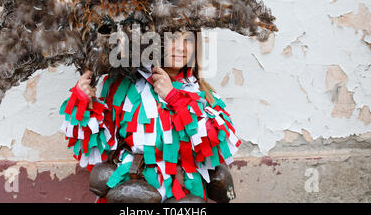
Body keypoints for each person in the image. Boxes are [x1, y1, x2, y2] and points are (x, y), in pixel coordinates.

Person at [59, 28, 242, 202]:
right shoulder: (124, 85)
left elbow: (218, 147)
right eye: (172, 38)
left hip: (184, 192)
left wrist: (175, 98)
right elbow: (98, 149)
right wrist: (84, 105)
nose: (181, 47)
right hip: (131, 188)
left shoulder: (202, 93)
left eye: (188, 39)